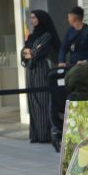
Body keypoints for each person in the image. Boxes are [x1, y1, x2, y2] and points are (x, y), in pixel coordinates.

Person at [21, 10, 61, 144]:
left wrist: (29, 52)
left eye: (34, 18)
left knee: (43, 101)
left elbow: (36, 52)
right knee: (32, 101)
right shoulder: (32, 36)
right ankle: (36, 134)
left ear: (40, 19)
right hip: (31, 71)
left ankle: (45, 134)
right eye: (31, 18)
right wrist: (27, 52)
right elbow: (24, 52)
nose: (31, 20)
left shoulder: (47, 35)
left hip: (41, 70)